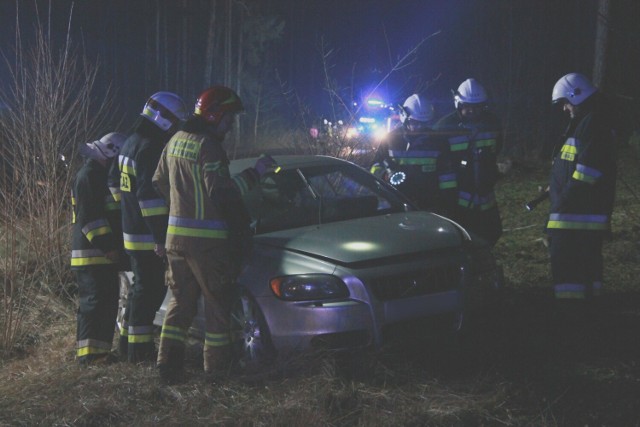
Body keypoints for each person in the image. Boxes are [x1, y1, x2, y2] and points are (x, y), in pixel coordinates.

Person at [153, 86, 276, 384]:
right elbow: (222, 193)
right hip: (207, 245)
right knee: (218, 304)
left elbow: (158, 181)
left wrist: (180, 208)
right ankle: (218, 372)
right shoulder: (208, 146)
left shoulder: (175, 141)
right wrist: (256, 174)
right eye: (229, 119)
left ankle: (167, 366)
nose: (230, 126)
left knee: (180, 304)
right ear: (214, 115)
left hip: (175, 242)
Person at [115, 91, 189, 363]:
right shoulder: (149, 147)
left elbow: (115, 187)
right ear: (164, 119)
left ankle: (127, 345)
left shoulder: (130, 143)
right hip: (147, 236)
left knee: (139, 292)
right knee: (150, 294)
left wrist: (127, 211)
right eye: (175, 121)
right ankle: (139, 352)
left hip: (131, 232)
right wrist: (160, 237)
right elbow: (149, 198)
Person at [547, 73, 617, 302]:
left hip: (575, 216)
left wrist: (562, 201)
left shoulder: (594, 123)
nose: (565, 109)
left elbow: (587, 173)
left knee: (570, 271)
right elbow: (575, 166)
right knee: (583, 270)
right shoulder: (586, 123)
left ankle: (573, 318)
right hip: (575, 215)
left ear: (576, 97)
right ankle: (587, 314)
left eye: (565, 103)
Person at [71, 132, 127, 365]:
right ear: (110, 154)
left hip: (100, 254)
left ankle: (100, 353)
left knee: (106, 302)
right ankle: (88, 356)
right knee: (94, 303)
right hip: (92, 254)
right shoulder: (89, 176)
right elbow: (90, 218)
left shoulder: (98, 175)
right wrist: (108, 247)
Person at [433, 78, 503, 245]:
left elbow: (497, 149)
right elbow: (439, 163)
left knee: (492, 234)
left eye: (477, 107)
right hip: (457, 198)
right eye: (468, 107)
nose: (472, 111)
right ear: (458, 104)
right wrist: (448, 199)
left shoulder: (492, 123)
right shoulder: (444, 127)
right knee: (462, 239)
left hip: (485, 195)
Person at [370, 93, 454, 213]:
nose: (419, 127)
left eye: (423, 123)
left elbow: (447, 175)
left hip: (430, 205)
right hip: (396, 202)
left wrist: (447, 203)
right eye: (415, 122)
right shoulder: (390, 140)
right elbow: (374, 166)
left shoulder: (438, 141)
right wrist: (385, 175)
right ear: (404, 117)